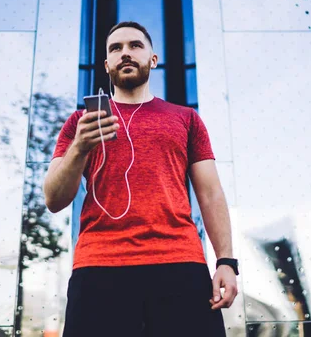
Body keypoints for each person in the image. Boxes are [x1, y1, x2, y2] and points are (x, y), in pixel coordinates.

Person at [43, 21, 238, 336]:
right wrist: (79, 147)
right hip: (99, 268)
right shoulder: (81, 122)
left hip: (180, 264)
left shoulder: (186, 119)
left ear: (153, 59)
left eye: (135, 46)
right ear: (107, 65)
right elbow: (54, 199)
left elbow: (211, 194)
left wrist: (226, 262)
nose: (125, 54)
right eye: (116, 49)